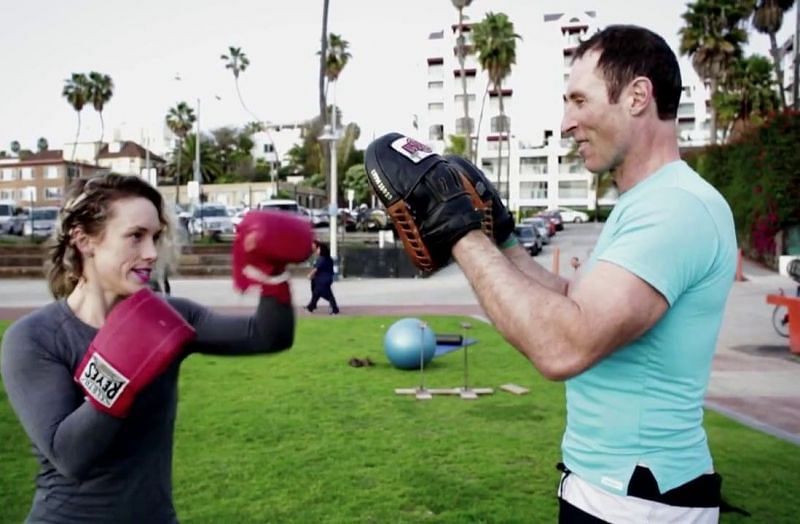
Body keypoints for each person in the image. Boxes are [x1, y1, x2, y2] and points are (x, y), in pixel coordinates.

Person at [366, 24, 736, 524]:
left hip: (639, 503)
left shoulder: (675, 208)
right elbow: (574, 301)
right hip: (611, 490)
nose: (565, 123)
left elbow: (564, 344)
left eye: (579, 100)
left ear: (637, 96)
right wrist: (502, 239)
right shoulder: (647, 203)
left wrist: (460, 232)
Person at [0, 173, 313, 523]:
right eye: (135, 236)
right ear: (84, 240)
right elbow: (70, 456)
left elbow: (267, 335)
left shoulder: (168, 316)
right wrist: (120, 367)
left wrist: (271, 274)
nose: (150, 253)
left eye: (155, 237)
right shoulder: (35, 338)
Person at [306, 240, 340, 315]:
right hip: (325, 279)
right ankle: (311, 307)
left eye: (318, 249)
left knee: (326, 294)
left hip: (322, 280)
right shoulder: (328, 258)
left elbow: (316, 269)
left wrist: (309, 275)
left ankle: (335, 308)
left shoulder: (322, 259)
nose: (317, 251)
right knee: (316, 293)